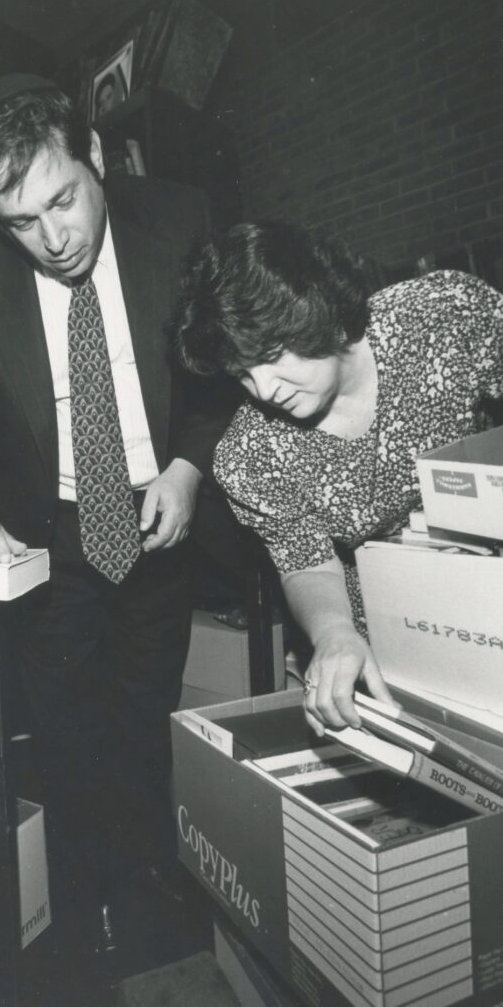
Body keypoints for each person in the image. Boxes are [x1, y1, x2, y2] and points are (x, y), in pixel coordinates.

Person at [0, 74, 221, 925]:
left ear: (97, 157)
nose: (52, 239)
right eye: (19, 222)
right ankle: (84, 898)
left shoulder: (180, 221)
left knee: (146, 706)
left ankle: (146, 879)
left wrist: (189, 466)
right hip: (43, 531)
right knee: (64, 722)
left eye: (63, 201)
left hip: (159, 513)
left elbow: (226, 365)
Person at [172, 220, 503, 737]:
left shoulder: (444, 315)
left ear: (315, 306)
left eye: (269, 356)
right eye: (241, 372)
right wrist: (333, 635)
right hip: (392, 634)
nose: (263, 389)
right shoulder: (251, 452)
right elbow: (306, 561)